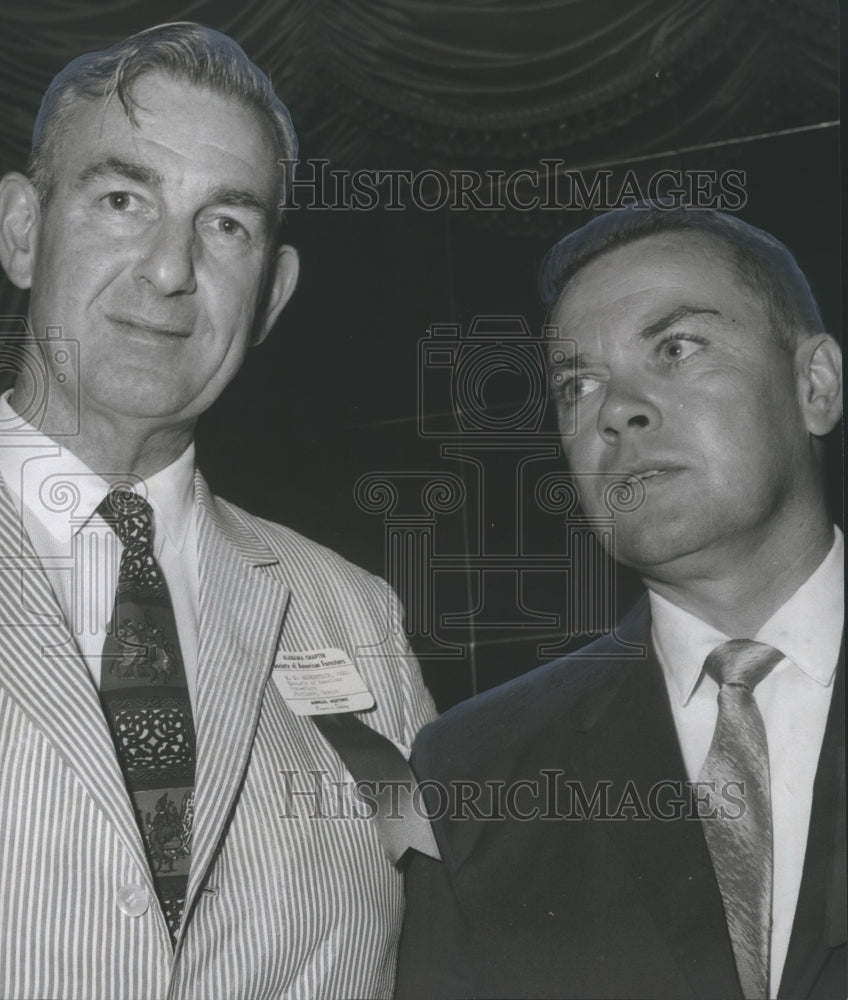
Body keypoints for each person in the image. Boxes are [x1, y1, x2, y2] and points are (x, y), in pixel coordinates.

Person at [0, 22, 435, 1000]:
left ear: (272, 293)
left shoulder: (354, 616)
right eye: (121, 200)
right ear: (22, 231)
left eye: (226, 223)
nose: (169, 269)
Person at [394, 205, 844, 999]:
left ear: (815, 386)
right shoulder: (475, 770)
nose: (616, 409)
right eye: (578, 384)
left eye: (677, 347)